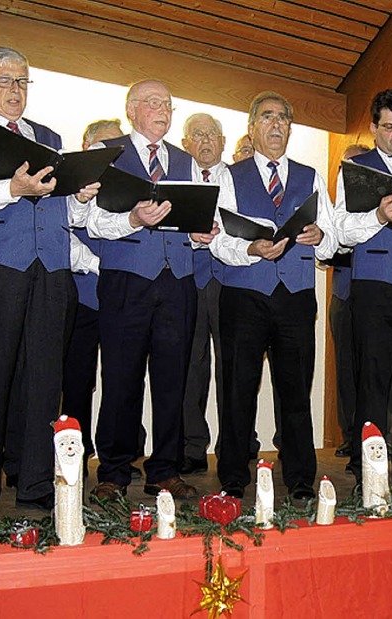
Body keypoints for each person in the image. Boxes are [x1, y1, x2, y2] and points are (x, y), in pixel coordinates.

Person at [0, 46, 97, 516]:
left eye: (23, 82)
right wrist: (12, 188)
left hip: (48, 269)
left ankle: (35, 484)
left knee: (44, 380)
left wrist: (81, 195)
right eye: (5, 81)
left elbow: (65, 211)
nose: (15, 90)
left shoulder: (47, 136)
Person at [206, 90, 337, 500]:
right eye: (267, 117)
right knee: (237, 388)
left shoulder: (310, 175)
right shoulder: (230, 176)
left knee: (295, 389)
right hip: (243, 295)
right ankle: (232, 476)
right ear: (252, 127)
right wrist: (250, 249)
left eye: (283, 118)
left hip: (295, 296)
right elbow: (217, 240)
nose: (276, 124)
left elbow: (333, 238)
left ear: (290, 128)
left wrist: (319, 238)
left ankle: (300, 478)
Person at [85, 79, 200, 502]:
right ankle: (114, 471)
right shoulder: (107, 153)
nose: (162, 110)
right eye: (152, 102)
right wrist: (132, 220)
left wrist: (203, 232)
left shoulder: (186, 161)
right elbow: (91, 222)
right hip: (125, 279)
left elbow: (194, 215)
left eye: (168, 103)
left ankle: (164, 470)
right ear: (131, 109)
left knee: (173, 380)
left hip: (177, 281)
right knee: (120, 378)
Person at [335, 88, 392, 487]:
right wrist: (376, 215)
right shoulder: (355, 170)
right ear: (374, 129)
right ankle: (368, 472)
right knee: (372, 383)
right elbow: (340, 230)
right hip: (375, 285)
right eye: (389, 127)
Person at [62, 118, 123, 473]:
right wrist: (96, 263)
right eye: (102, 146)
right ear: (87, 146)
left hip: (120, 296)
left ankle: (116, 456)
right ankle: (75, 454)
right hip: (83, 293)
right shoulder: (72, 181)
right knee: (77, 381)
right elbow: (63, 232)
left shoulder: (123, 184)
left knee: (120, 378)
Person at [179, 113, 227, 474]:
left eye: (212, 134)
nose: (206, 141)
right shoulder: (176, 178)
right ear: (186, 145)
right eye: (198, 134)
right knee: (191, 367)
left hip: (232, 283)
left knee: (234, 367)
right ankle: (192, 446)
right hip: (188, 282)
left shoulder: (240, 178)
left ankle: (236, 442)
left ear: (224, 141)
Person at [327, 143, 369, 462]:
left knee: (379, 366)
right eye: (344, 168)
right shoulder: (332, 208)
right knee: (346, 367)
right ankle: (349, 435)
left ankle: (381, 435)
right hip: (343, 292)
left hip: (377, 294)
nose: (348, 173)